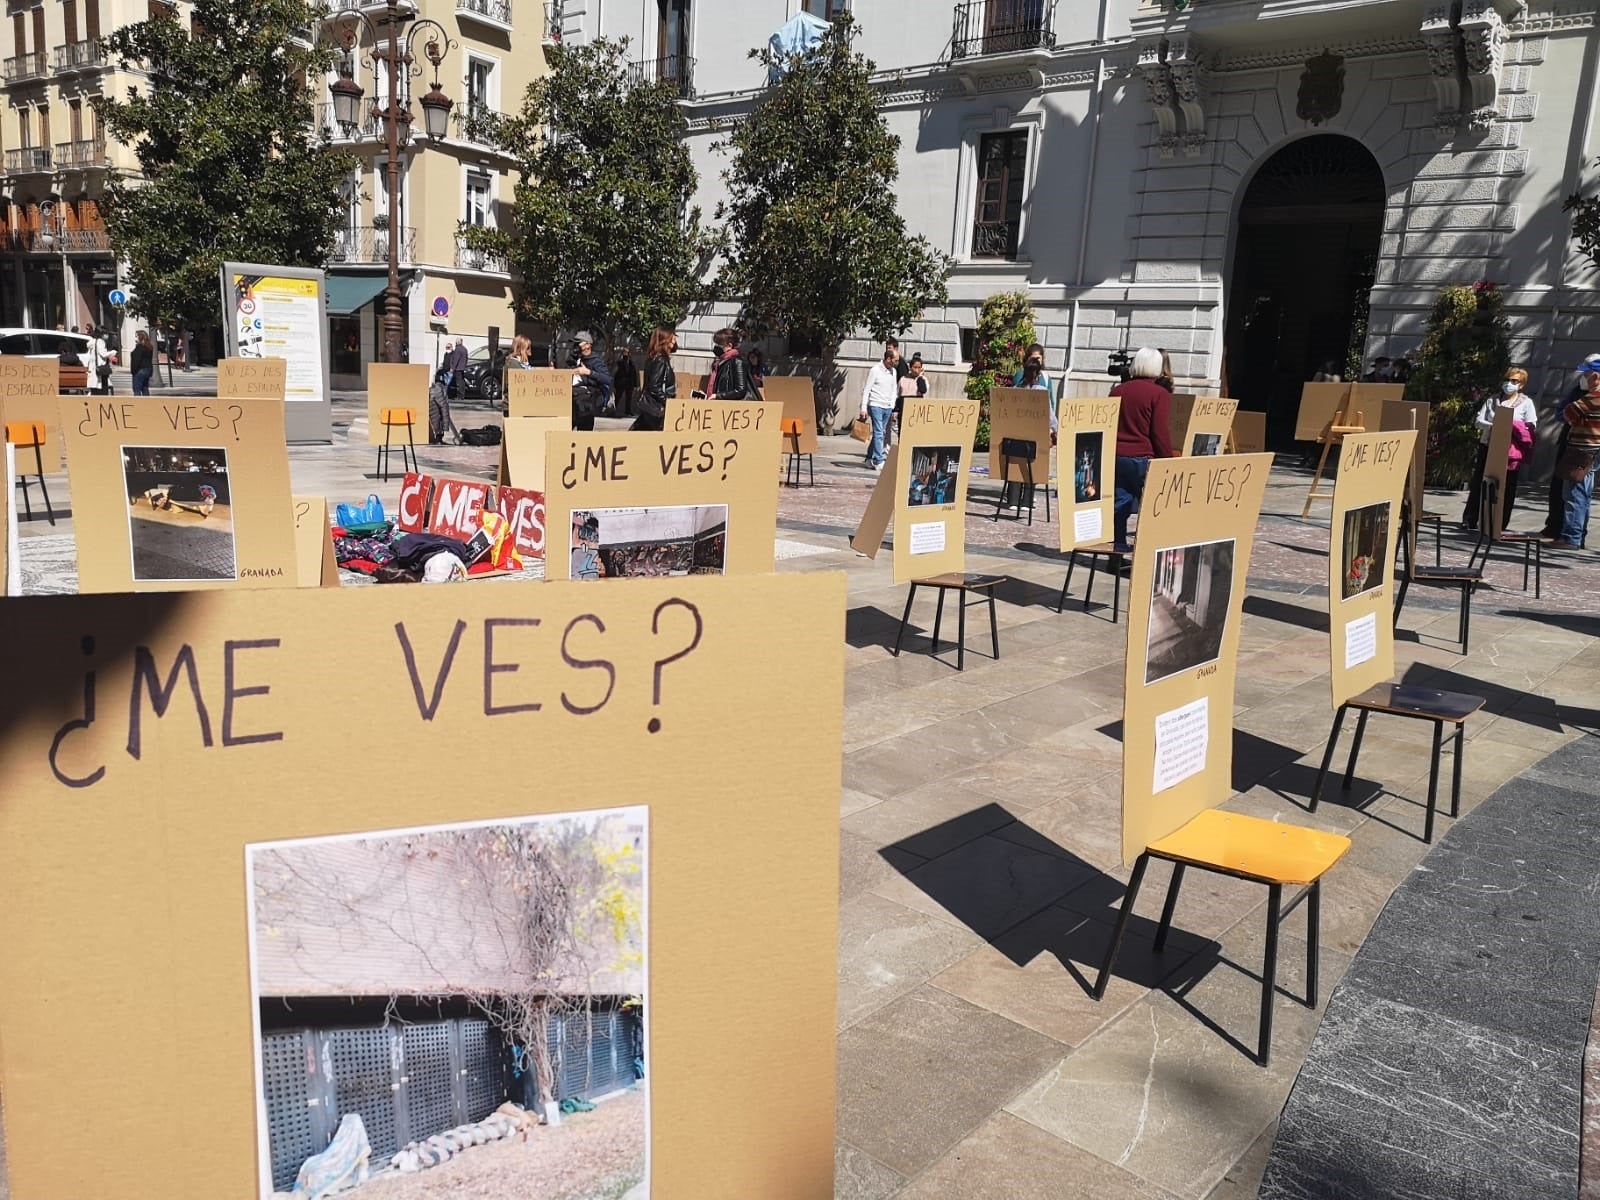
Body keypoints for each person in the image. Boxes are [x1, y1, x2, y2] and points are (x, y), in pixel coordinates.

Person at [1111, 346, 1174, 550]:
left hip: (1117, 456)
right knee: (1151, 508)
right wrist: (1167, 458)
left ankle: (1117, 549)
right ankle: (1144, 554)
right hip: (1143, 457)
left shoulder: (1117, 391)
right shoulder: (1159, 394)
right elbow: (1160, 432)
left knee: (1120, 504)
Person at [1462, 367, 1537, 531]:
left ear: (1521, 384)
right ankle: (1470, 519)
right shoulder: (1493, 400)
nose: (1509, 384)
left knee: (1507, 486)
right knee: (1479, 482)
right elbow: (1479, 421)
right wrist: (1495, 425)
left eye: (1514, 381)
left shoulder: (1526, 403)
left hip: (1509, 451)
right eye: (1508, 379)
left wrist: (1512, 427)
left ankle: (1499, 523)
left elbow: (1531, 425)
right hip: (1488, 445)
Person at [1546, 355, 1600, 538]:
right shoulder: (1581, 392)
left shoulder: (1594, 396)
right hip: (1589, 448)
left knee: (1574, 493)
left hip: (1583, 447)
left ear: (1596, 376)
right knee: (1583, 493)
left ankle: (1572, 536)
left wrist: (1575, 414)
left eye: (1588, 374)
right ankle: (1577, 535)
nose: (1584, 377)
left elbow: (1568, 412)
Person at [858, 343, 900, 470]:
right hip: (875, 404)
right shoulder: (875, 370)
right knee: (878, 432)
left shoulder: (893, 372)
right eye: (895, 360)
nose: (896, 363)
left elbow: (894, 389)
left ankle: (869, 458)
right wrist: (864, 408)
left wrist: (892, 405)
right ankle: (878, 459)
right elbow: (867, 389)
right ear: (888, 359)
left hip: (887, 406)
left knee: (879, 432)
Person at [634, 326, 677, 432]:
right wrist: (668, 401)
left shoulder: (653, 357)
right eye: (672, 338)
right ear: (665, 340)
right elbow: (655, 386)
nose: (675, 341)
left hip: (649, 407)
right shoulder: (661, 360)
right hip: (656, 408)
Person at [570, 331, 610, 431]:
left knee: (584, 432)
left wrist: (588, 372)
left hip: (587, 403)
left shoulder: (595, 361)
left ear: (588, 345)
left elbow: (607, 379)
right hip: (574, 403)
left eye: (578, 343)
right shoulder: (575, 359)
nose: (576, 346)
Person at [708, 328, 758, 400]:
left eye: (719, 344)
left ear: (729, 346)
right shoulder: (721, 363)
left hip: (733, 408)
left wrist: (718, 396)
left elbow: (740, 391)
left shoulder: (738, 362)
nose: (716, 347)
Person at [612, 347, 639, 417]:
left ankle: (628, 411)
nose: (626, 354)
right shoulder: (619, 362)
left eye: (627, 352)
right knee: (618, 396)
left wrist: (635, 384)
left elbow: (634, 374)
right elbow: (616, 374)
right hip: (621, 382)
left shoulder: (631, 363)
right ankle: (614, 410)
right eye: (625, 352)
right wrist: (616, 383)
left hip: (629, 383)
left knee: (629, 398)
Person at [87, 323, 112, 395]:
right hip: (101, 368)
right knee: (103, 389)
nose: (106, 335)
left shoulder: (93, 341)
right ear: (101, 333)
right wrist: (113, 352)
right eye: (105, 333)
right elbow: (103, 354)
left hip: (93, 368)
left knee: (95, 389)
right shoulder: (100, 342)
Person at [130, 329, 154, 395]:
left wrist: (133, 371)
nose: (135, 338)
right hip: (147, 370)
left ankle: (138, 404)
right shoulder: (149, 347)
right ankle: (146, 404)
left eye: (136, 336)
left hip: (140, 370)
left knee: (137, 389)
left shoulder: (139, 348)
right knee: (145, 388)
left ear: (140, 337)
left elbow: (136, 361)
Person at [446, 337, 469, 403]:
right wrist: (464, 366)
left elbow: (456, 359)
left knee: (459, 382)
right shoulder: (464, 349)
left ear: (458, 342)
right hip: (462, 368)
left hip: (458, 368)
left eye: (456, 341)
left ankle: (459, 396)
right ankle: (462, 395)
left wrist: (453, 368)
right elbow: (466, 359)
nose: (456, 342)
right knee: (462, 382)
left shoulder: (458, 349)